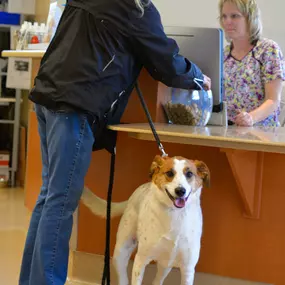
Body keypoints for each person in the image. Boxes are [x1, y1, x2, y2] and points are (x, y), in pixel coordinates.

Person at [19, 0, 211, 284]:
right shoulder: (137, 9)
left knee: (50, 196)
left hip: (47, 95)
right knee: (59, 202)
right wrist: (198, 77)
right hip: (74, 105)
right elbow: (166, 63)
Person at [219, 0, 285, 126]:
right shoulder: (223, 55)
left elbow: (273, 100)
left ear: (250, 19)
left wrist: (251, 118)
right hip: (228, 131)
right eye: (224, 16)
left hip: (262, 132)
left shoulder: (268, 49)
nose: (227, 22)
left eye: (234, 16)